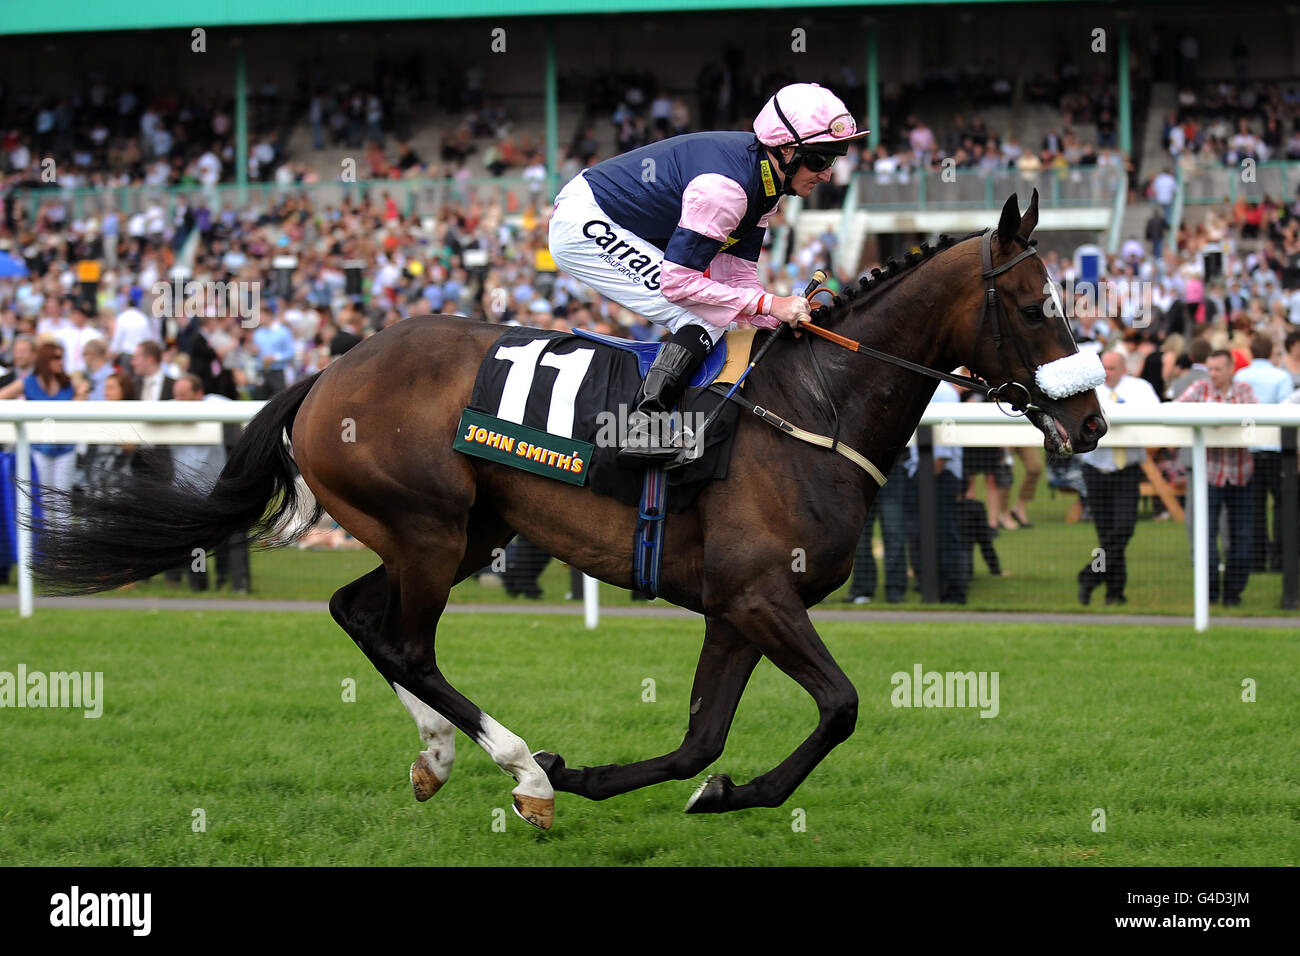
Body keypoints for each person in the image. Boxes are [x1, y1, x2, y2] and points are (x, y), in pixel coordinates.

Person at [548, 82, 868, 465]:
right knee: (700, 312)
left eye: (834, 159)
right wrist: (771, 303)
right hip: (585, 222)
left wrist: (773, 316)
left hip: (618, 218)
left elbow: (737, 275)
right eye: (819, 160)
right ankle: (641, 425)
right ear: (786, 150)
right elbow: (678, 283)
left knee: (723, 311)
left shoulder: (768, 183)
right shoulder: (727, 189)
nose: (827, 174)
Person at [1076, 351, 1161, 606]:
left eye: (1112, 368)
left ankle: (1090, 575)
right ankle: (1114, 593)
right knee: (1107, 535)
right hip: (1096, 469)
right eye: (1104, 368)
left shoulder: (1141, 388)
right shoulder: (1088, 391)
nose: (1107, 373)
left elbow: (1154, 420)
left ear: (1124, 368)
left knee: (1123, 529)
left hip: (1127, 470)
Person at [1176, 350, 1257, 606]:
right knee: (1205, 536)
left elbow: (1256, 420)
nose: (1212, 374)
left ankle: (1233, 594)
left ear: (1231, 368)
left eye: (1218, 369)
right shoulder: (1200, 388)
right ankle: (1209, 594)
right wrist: (1209, 421)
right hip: (1209, 475)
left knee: (1243, 539)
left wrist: (1224, 422)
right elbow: (1175, 411)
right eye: (1210, 369)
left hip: (1240, 474)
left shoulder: (1244, 390)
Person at [0, 341, 81, 528]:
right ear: (46, 360)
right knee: (41, 501)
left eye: (62, 357)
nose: (61, 362)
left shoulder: (69, 383)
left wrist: (82, 392)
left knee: (62, 501)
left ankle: (63, 552)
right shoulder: (28, 383)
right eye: (56, 357)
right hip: (38, 448)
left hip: (65, 447)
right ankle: (45, 553)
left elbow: (82, 403)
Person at [1234, 332, 1294, 572]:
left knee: (1254, 506)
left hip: (1249, 447)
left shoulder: (1241, 375)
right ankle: (1279, 558)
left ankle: (1257, 559)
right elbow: (1286, 412)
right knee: (1282, 505)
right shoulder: (1281, 376)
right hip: (1276, 449)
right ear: (1271, 351)